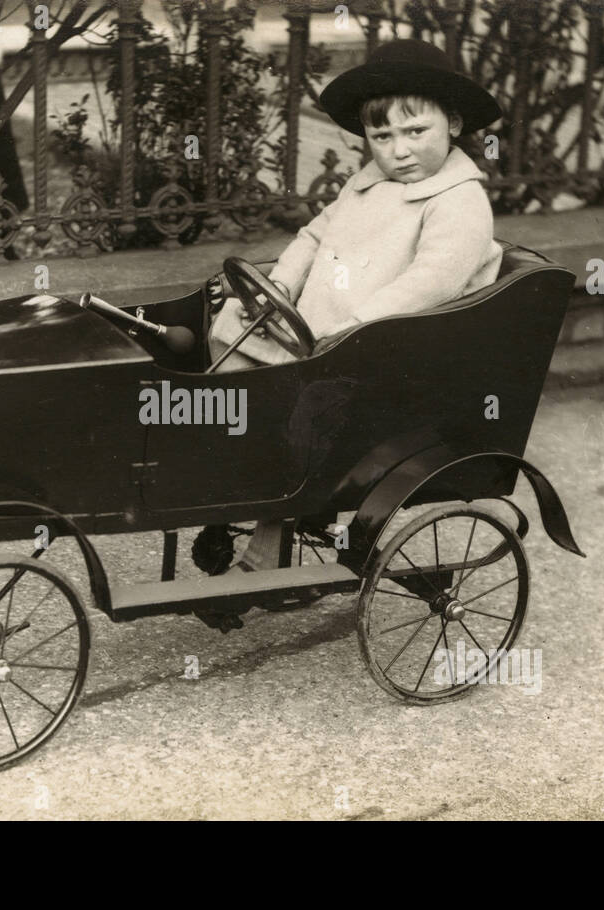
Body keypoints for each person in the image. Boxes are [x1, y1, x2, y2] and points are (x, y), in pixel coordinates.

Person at [209, 38, 505, 571]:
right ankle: (242, 466)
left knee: (308, 409)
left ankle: (269, 532)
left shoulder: (459, 200)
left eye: (417, 132)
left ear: (455, 123)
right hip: (316, 335)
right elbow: (315, 235)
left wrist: (355, 328)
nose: (399, 151)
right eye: (382, 135)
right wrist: (276, 288)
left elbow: (430, 282)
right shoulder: (365, 185)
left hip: (384, 354)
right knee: (230, 327)